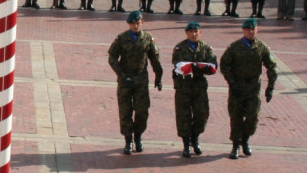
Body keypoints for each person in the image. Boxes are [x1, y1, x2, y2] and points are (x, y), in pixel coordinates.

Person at [220, 18, 278, 159]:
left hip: (253, 88)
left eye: (253, 29)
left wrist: (270, 87)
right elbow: (224, 65)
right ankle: (236, 145)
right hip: (237, 88)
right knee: (236, 117)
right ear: (243, 30)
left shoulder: (262, 47)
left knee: (253, 117)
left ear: (257, 30)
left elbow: (272, 67)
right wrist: (232, 82)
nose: (251, 32)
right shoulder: (234, 47)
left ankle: (245, 139)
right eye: (248, 29)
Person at [108, 10, 164, 155]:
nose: (135, 26)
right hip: (125, 80)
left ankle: (138, 136)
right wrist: (121, 74)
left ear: (142, 23)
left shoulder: (148, 39)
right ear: (128, 24)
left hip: (141, 80)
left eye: (137, 23)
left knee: (142, 110)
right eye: (132, 24)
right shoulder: (121, 38)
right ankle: (128, 140)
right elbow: (112, 58)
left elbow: (154, 59)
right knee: (125, 110)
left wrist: (159, 77)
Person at [171, 22, 217, 158]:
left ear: (200, 33)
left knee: (202, 114)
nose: (193, 33)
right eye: (191, 31)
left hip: (199, 87)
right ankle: (186, 144)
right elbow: (178, 64)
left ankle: (195, 139)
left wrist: (208, 68)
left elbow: (212, 64)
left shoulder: (206, 48)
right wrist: (195, 67)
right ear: (186, 33)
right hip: (183, 86)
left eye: (196, 31)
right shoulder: (180, 48)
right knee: (183, 116)